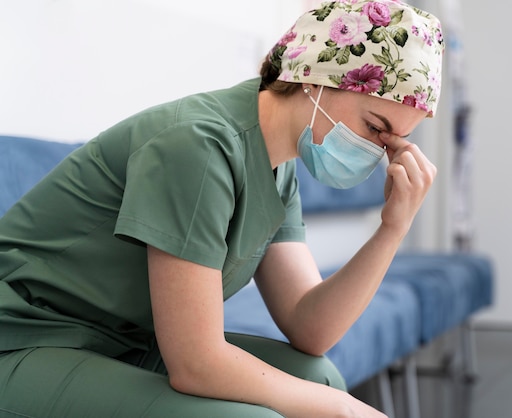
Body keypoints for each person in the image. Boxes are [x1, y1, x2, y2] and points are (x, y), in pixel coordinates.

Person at [0, 0, 444, 416]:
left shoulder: (279, 164)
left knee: (320, 378)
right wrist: (344, 408)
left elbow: (312, 329)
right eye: (374, 127)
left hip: (120, 340)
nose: (375, 153)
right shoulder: (199, 145)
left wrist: (393, 228)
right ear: (316, 76)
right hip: (25, 339)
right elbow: (197, 363)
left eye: (392, 142)